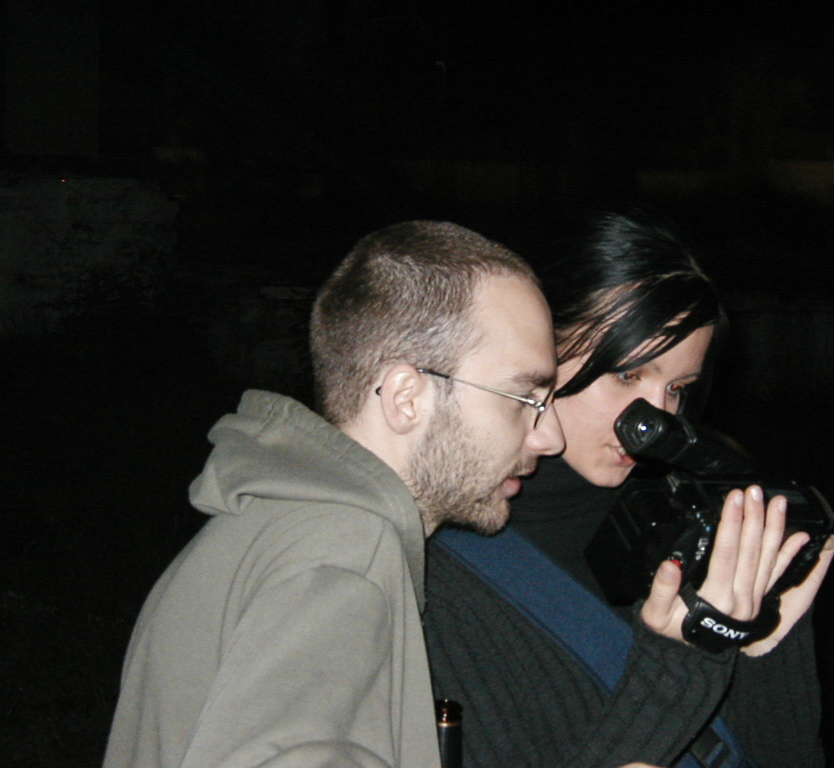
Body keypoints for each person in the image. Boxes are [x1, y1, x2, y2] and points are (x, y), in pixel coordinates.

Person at [101, 220, 567, 768]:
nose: (551, 437)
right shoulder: (344, 554)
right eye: (524, 398)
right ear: (407, 398)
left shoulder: (277, 526)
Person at [424, 211, 834, 768]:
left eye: (679, 388)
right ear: (537, 346)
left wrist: (769, 646)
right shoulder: (445, 571)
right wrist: (679, 663)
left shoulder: (688, 520)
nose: (657, 418)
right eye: (628, 374)